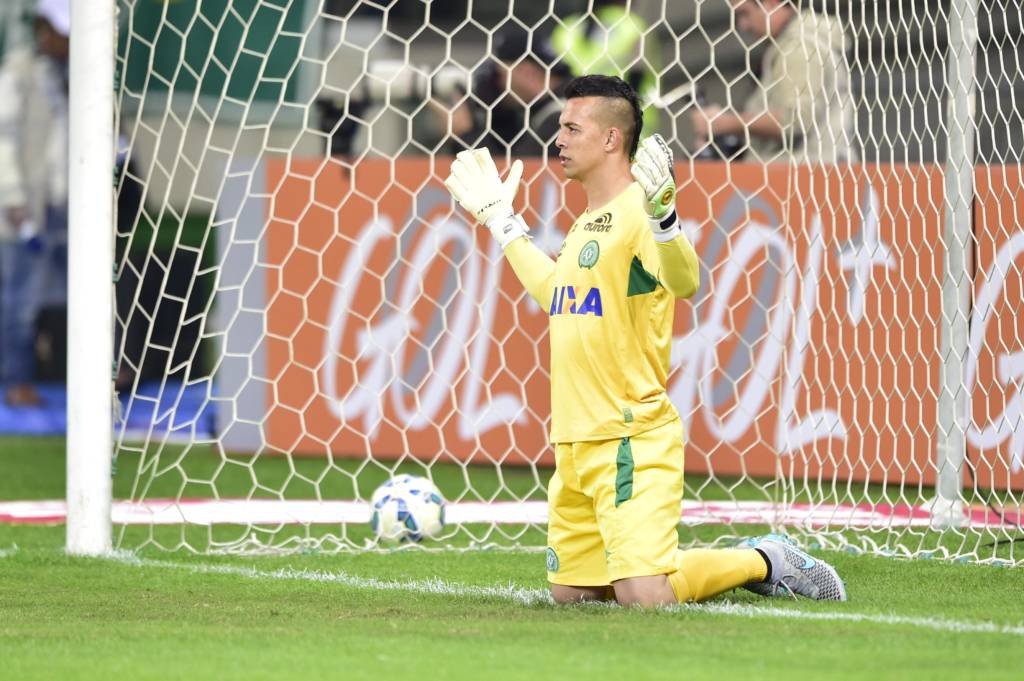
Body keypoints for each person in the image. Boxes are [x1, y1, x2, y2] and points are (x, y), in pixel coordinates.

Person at [444, 74, 846, 607]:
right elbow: (556, 295)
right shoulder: (588, 221)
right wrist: (503, 222)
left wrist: (665, 221)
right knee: (575, 596)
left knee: (644, 597)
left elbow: (685, 281)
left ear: (612, 138)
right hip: (574, 438)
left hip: (629, 436)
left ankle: (764, 559)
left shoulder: (640, 212)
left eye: (571, 127)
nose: (558, 140)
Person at [0, 0, 70, 406]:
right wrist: (12, 196)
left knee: (70, 296)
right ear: (43, 28)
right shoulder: (17, 73)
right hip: (24, 209)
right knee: (20, 300)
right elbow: (3, 139)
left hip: (60, 204)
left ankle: (78, 375)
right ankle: (17, 382)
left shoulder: (71, 77)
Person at [691, 0, 855, 163]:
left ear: (771, 3)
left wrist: (726, 123)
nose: (743, 25)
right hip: (806, 175)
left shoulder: (799, 48)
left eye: (744, 13)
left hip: (800, 179)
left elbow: (795, 121)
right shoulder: (800, 43)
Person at [436, 24, 570, 159]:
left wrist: (465, 134)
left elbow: (520, 176)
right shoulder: (562, 106)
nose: (496, 84)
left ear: (527, 73)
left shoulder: (561, 119)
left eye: (499, 75)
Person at [549, 0, 660, 133]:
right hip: (626, 130)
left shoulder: (566, 29)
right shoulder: (632, 26)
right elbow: (638, 72)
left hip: (573, 125)